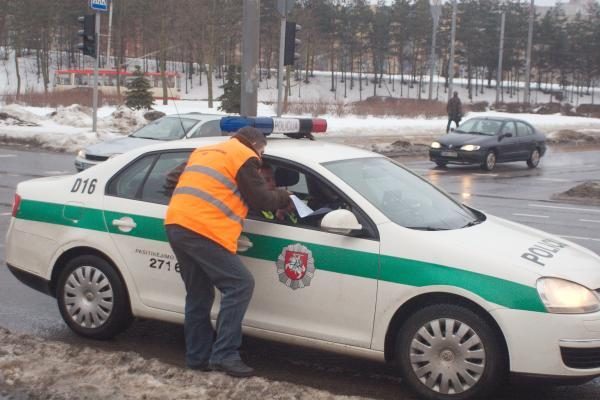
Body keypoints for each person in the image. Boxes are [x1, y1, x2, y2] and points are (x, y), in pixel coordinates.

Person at [164, 127, 290, 377]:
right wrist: (284, 195)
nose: (261, 160)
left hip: (177, 223)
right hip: (204, 229)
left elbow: (170, 181)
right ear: (255, 144)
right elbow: (262, 200)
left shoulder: (206, 151)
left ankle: (197, 358)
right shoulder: (243, 155)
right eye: (262, 153)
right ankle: (224, 355)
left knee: (198, 295)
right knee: (240, 284)